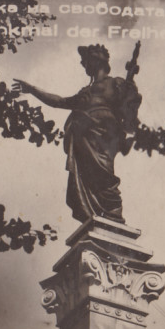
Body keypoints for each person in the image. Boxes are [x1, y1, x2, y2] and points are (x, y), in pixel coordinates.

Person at [13, 44, 141, 223]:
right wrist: (33, 90)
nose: (83, 64)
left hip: (105, 134)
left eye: (85, 60)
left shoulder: (117, 83)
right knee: (88, 175)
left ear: (96, 60)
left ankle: (113, 210)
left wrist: (131, 87)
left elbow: (130, 106)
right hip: (83, 136)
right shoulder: (85, 92)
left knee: (104, 173)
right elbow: (60, 102)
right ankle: (99, 214)